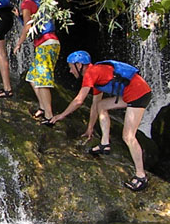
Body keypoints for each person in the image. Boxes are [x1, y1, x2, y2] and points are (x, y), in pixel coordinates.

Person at [50, 51, 152, 192]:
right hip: (133, 93)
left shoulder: (91, 73)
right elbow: (95, 105)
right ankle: (105, 143)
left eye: (71, 67)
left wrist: (61, 115)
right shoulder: (97, 76)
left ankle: (141, 176)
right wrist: (90, 128)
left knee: (128, 136)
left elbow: (79, 101)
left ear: (79, 65)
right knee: (102, 106)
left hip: (139, 94)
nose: (70, 70)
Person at [12, 0, 59, 123]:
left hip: (45, 43)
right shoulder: (36, 1)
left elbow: (28, 27)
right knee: (32, 77)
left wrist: (19, 43)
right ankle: (43, 107)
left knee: (42, 80)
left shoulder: (26, 3)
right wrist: (19, 17)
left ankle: (49, 116)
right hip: (50, 42)